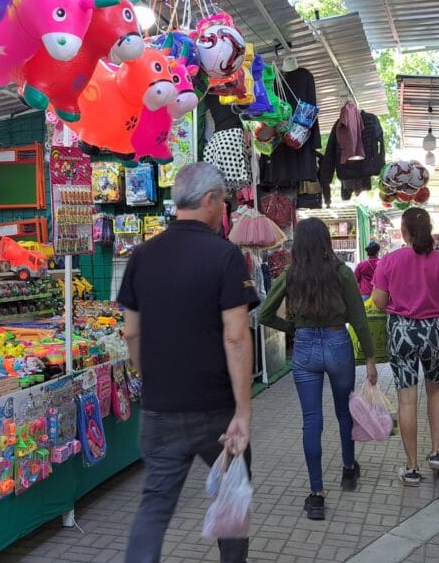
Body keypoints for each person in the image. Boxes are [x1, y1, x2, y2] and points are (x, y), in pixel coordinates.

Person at [119, 162, 257, 563]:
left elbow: (131, 332)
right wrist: (243, 411)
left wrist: (149, 378)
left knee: (154, 507)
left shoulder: (141, 256)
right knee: (234, 495)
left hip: (160, 411)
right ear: (210, 200)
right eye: (224, 201)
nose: (224, 209)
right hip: (216, 410)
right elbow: (235, 335)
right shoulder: (224, 255)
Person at [259, 218, 377, 520]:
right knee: (344, 412)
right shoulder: (341, 273)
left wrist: (293, 328)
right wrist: (372, 359)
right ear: (327, 242)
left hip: (305, 347)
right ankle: (349, 470)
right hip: (338, 343)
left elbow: (264, 314)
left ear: (298, 244)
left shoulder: (290, 274)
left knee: (312, 421)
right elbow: (359, 319)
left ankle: (316, 495)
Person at [371, 208, 439, 487]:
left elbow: (378, 301)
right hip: (434, 332)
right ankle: (436, 451)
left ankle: (412, 468)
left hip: (401, 332)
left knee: (406, 400)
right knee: (436, 391)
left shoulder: (389, 261)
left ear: (403, 232)